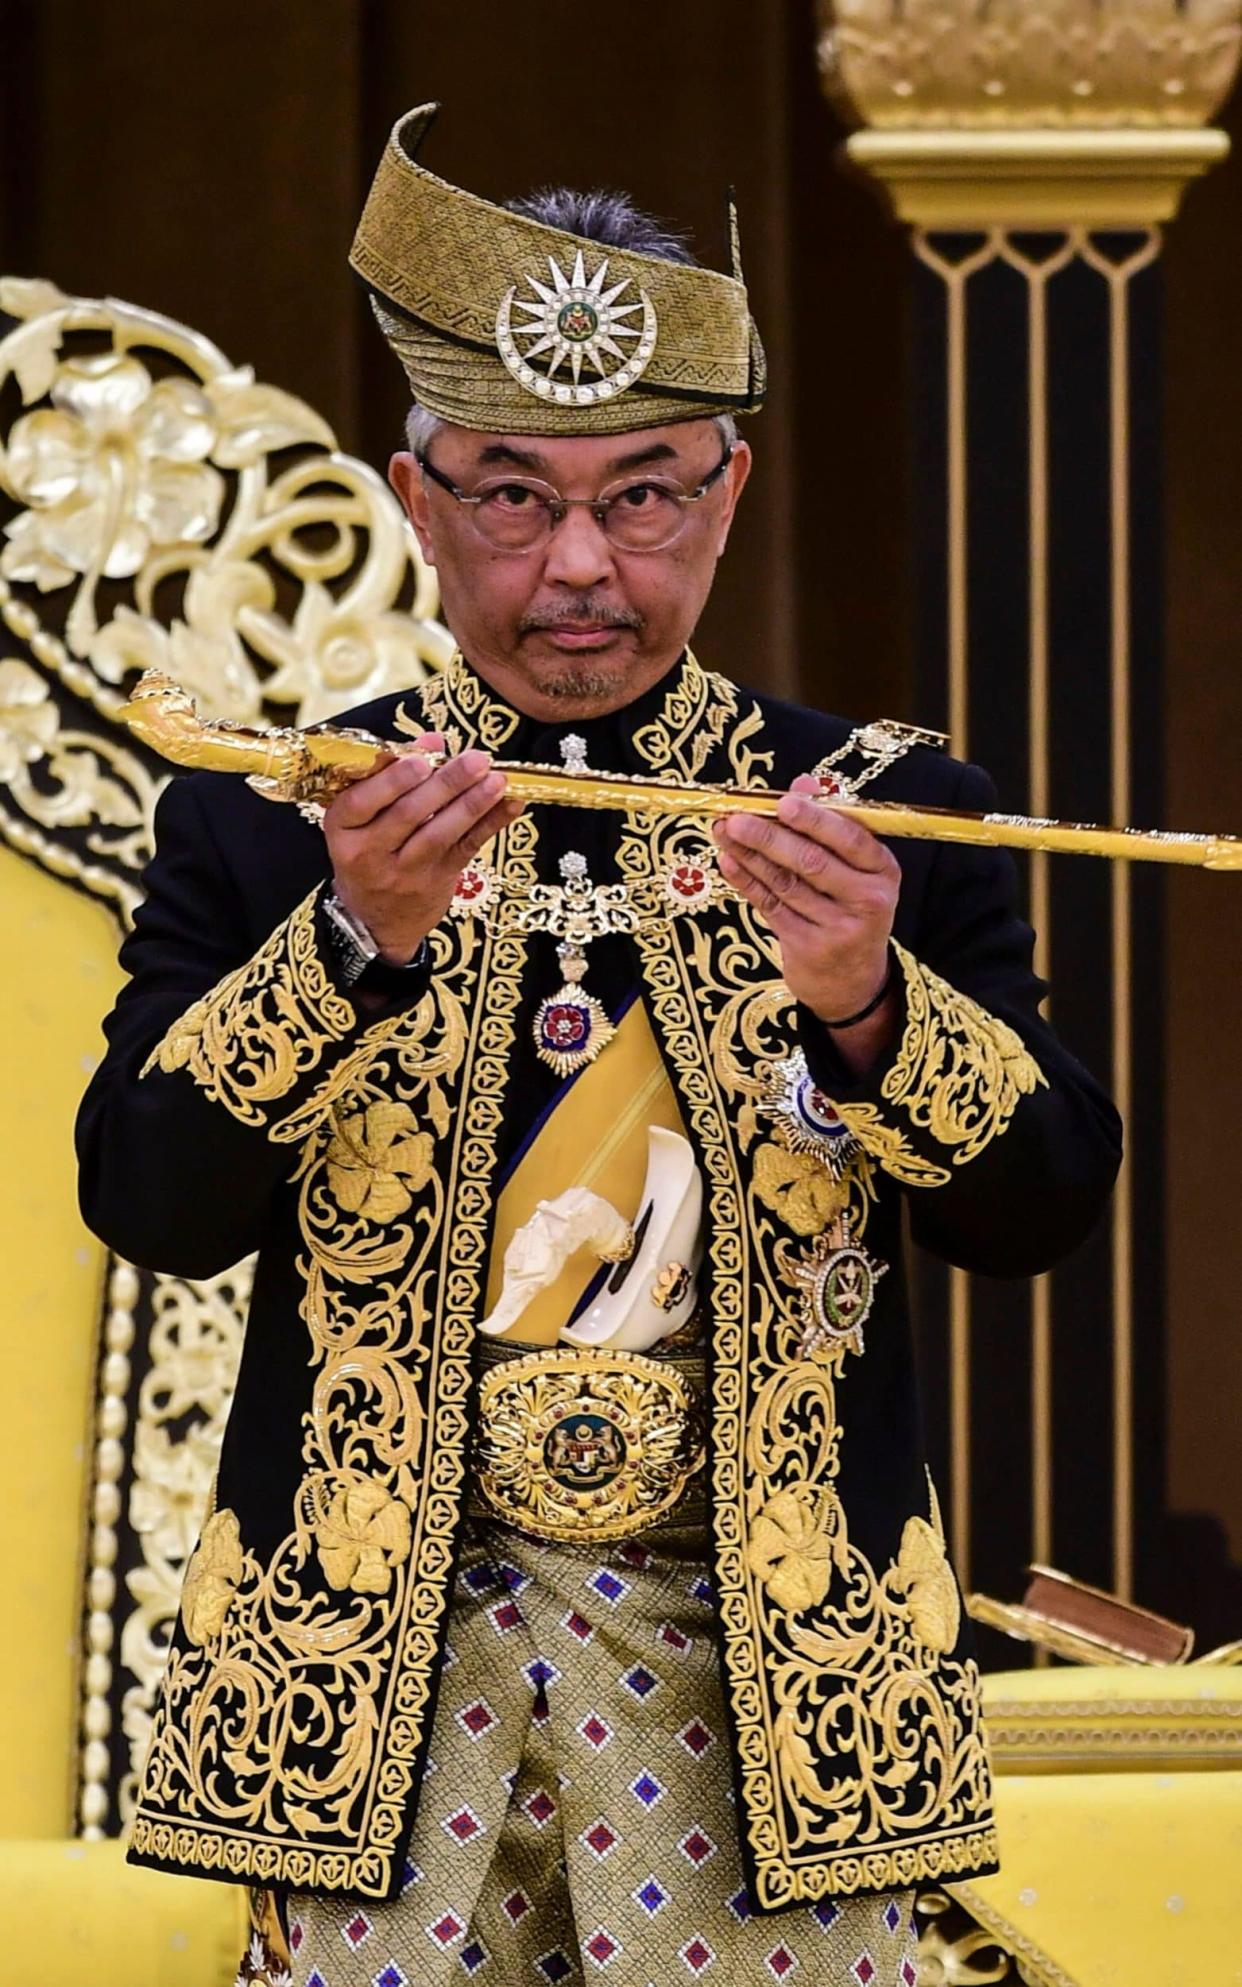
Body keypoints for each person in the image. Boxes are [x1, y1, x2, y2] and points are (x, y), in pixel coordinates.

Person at [76, 104, 1122, 1987]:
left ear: (726, 495)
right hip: (376, 1689)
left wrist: (868, 1003)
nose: (579, 561)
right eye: (510, 492)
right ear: (414, 497)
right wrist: (347, 940)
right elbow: (145, 1200)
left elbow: (1040, 1210)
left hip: (772, 1681)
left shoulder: (884, 813)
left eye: (643, 494)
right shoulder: (273, 818)